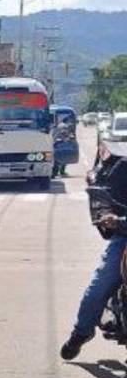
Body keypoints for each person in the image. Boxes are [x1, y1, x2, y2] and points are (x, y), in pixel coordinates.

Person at [61, 145, 127, 359]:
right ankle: (81, 332)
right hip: (125, 234)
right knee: (100, 287)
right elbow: (104, 192)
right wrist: (108, 214)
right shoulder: (122, 167)